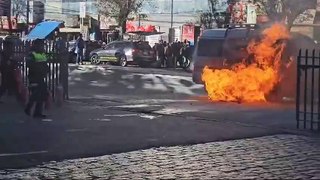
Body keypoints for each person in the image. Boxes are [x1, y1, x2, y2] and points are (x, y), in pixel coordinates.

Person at [24, 39, 50, 118]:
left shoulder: (42, 54)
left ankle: (38, 112)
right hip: (34, 77)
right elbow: (30, 65)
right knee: (35, 94)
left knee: (42, 94)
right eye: (41, 45)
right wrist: (39, 69)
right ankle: (28, 108)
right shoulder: (31, 54)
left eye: (43, 45)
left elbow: (45, 64)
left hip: (41, 77)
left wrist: (46, 70)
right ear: (36, 45)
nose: (42, 47)